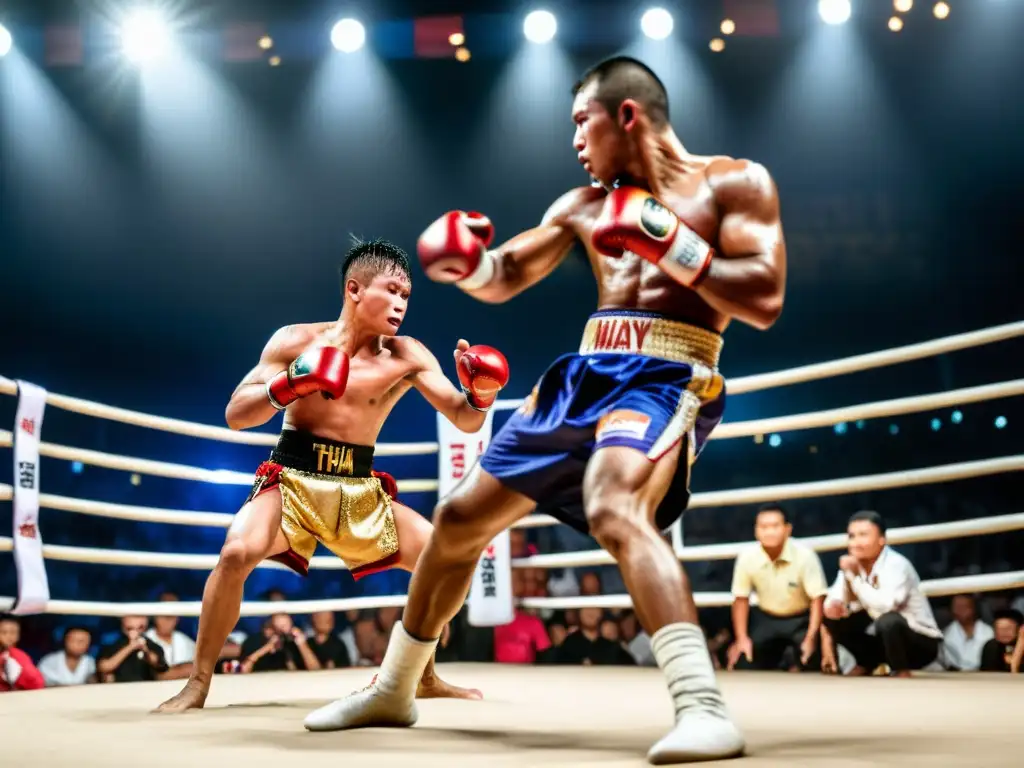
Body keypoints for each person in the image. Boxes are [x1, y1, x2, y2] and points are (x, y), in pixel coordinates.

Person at [303, 56, 786, 764]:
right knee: (459, 518)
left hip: (668, 373)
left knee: (615, 502)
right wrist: (467, 265)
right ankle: (396, 686)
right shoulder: (581, 206)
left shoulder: (734, 182)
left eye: (581, 123)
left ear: (626, 116)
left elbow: (764, 297)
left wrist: (673, 242)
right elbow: (509, 272)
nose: (574, 142)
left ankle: (704, 707)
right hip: (582, 375)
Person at [156, 238, 509, 712]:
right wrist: (292, 383)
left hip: (360, 489)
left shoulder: (408, 354)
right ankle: (197, 684)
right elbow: (237, 414)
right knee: (237, 551)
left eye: (408, 296)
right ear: (355, 288)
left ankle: (420, 675)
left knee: (448, 558)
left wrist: (479, 394)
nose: (402, 304)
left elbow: (465, 419)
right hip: (292, 480)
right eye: (393, 291)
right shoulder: (296, 341)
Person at [822, 511, 942, 677]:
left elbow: (886, 606)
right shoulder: (852, 565)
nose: (856, 542)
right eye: (852, 536)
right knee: (833, 616)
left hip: (919, 642)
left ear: (881, 540)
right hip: (881, 639)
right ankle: (866, 662)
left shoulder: (897, 565)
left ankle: (900, 670)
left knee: (888, 621)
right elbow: (832, 602)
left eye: (863, 535)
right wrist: (835, 606)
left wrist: (856, 578)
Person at [727, 504, 827, 672]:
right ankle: (781, 659)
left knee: (810, 661)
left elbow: (817, 599)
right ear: (756, 530)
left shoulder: (805, 555)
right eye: (764, 527)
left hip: (800, 619)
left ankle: (794, 658)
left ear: (787, 529)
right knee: (744, 662)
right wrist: (742, 638)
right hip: (766, 618)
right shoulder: (747, 557)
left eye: (775, 526)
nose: (769, 532)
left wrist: (811, 637)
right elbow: (740, 599)